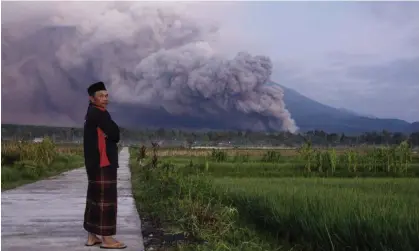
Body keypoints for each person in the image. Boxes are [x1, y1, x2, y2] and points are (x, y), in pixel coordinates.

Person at [83, 81, 126, 249]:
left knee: (95, 199)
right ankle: (107, 239)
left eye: (106, 95)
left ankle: (92, 236)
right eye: (101, 96)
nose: (105, 99)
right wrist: (112, 132)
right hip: (103, 164)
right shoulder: (100, 114)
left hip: (94, 164)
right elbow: (115, 134)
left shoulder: (91, 113)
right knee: (105, 201)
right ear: (92, 98)